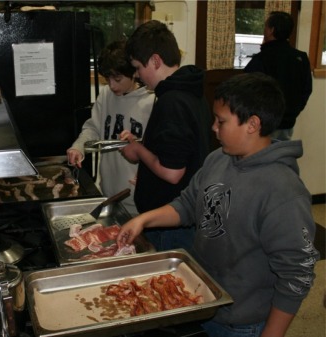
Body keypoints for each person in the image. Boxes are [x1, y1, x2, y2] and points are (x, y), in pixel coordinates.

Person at [117, 72, 320, 337]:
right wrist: (143, 220)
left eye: (221, 121)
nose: (213, 127)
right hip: (205, 303)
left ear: (252, 124)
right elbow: (188, 205)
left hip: (243, 322)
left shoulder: (282, 191)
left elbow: (297, 274)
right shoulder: (218, 160)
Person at [119, 20, 211, 253]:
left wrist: (138, 151)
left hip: (172, 225)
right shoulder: (189, 91)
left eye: (139, 68)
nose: (138, 76)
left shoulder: (172, 101)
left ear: (156, 61)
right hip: (179, 215)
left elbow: (172, 172)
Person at [67, 40, 154, 216]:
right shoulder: (106, 94)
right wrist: (78, 147)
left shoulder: (152, 100)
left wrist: (150, 178)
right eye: (107, 79)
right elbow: (93, 127)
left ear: (134, 73)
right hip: (107, 192)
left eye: (118, 79)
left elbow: (160, 151)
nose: (112, 85)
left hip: (136, 199)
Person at [244, 11, 312, 141]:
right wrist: (292, 112)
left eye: (265, 26)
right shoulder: (300, 58)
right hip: (288, 123)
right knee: (281, 156)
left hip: (263, 124)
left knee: (262, 158)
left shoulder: (262, 58)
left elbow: (247, 91)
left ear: (271, 30)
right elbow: (306, 90)